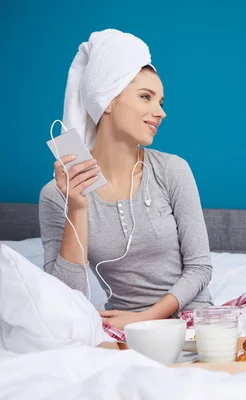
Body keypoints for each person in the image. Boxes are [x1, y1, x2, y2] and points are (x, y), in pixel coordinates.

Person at [39, 29, 212, 331]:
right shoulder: (56, 194)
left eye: (160, 101)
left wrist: (145, 318)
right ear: (108, 100)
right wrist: (76, 209)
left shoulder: (172, 170)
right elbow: (67, 299)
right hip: (122, 331)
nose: (160, 113)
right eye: (146, 97)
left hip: (191, 323)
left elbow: (200, 268)